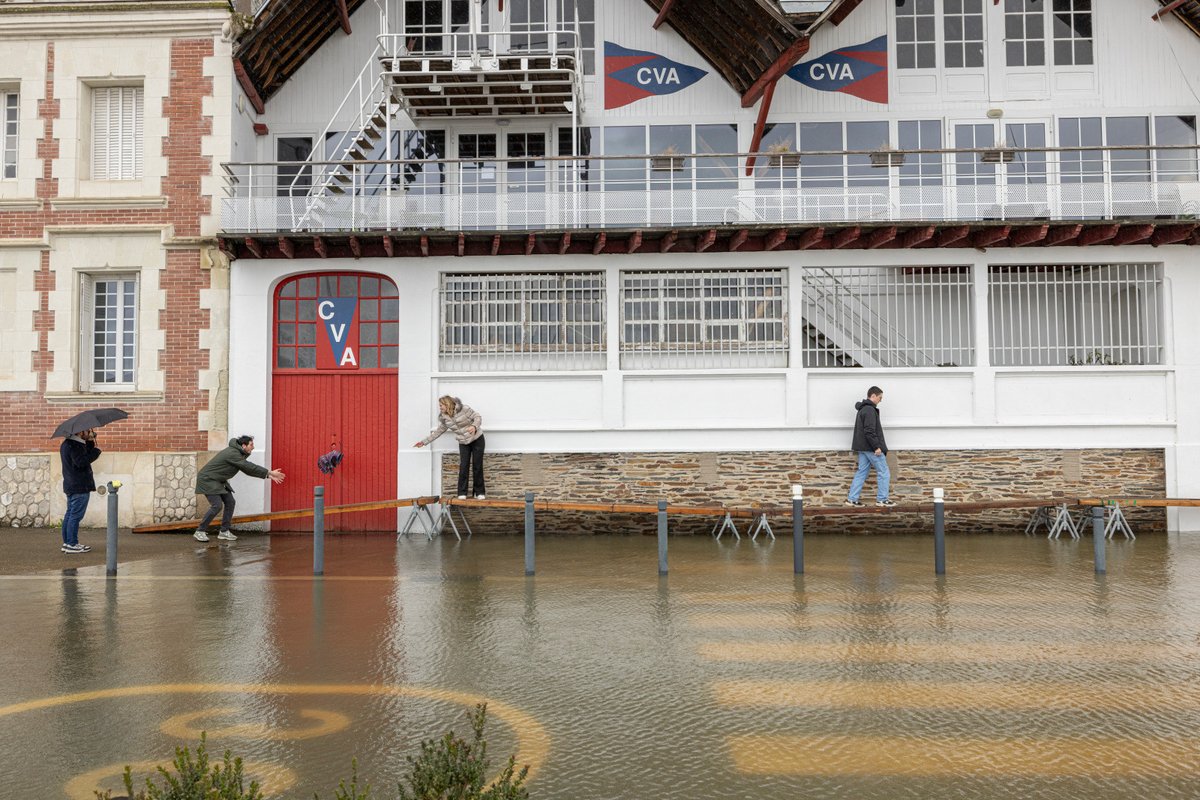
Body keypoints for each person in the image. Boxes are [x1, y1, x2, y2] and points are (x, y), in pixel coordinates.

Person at [194, 435, 285, 542]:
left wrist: (268, 476)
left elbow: (247, 469)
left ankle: (224, 531)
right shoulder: (233, 453)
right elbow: (248, 466)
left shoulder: (238, 453)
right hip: (208, 479)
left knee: (230, 502)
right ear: (244, 445)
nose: (253, 447)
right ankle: (200, 531)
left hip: (218, 480)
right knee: (217, 505)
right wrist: (269, 472)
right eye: (251, 445)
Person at [414, 396, 486, 500]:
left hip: (477, 439)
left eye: (441, 405)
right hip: (463, 442)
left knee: (477, 466)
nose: (440, 407)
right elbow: (438, 432)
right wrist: (424, 442)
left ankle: (479, 492)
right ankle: (462, 493)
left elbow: (477, 417)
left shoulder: (464, 409)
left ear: (447, 404)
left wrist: (474, 426)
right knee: (464, 466)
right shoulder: (445, 418)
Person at [845, 386, 897, 508]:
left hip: (863, 447)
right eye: (880, 397)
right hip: (870, 448)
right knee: (884, 472)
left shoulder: (862, 409)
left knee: (861, 472)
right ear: (873, 395)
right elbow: (869, 431)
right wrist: (876, 447)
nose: (880, 400)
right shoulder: (869, 410)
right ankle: (882, 499)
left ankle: (852, 499)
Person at [60, 428, 100, 553]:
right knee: (75, 516)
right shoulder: (75, 445)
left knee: (70, 514)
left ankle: (67, 543)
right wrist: (96, 452)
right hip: (79, 486)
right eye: (87, 431)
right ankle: (72, 544)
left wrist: (91, 441)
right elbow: (81, 462)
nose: (89, 432)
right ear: (80, 432)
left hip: (72, 485)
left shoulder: (68, 443)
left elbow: (83, 454)